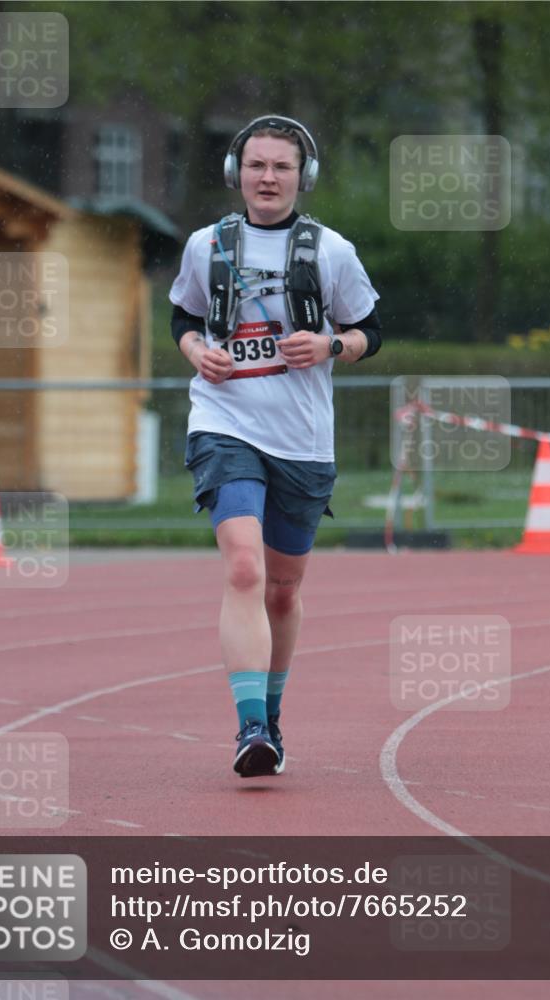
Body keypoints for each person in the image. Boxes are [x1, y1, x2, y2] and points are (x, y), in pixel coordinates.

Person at [169, 114, 381, 778]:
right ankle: (250, 727)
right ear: (236, 173)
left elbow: (371, 330)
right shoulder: (206, 245)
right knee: (243, 568)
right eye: (256, 165)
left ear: (302, 176)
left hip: (301, 440)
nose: (267, 178)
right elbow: (183, 316)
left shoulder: (331, 252)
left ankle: (273, 716)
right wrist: (195, 351)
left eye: (281, 167)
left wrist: (330, 344)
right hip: (224, 423)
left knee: (283, 591)